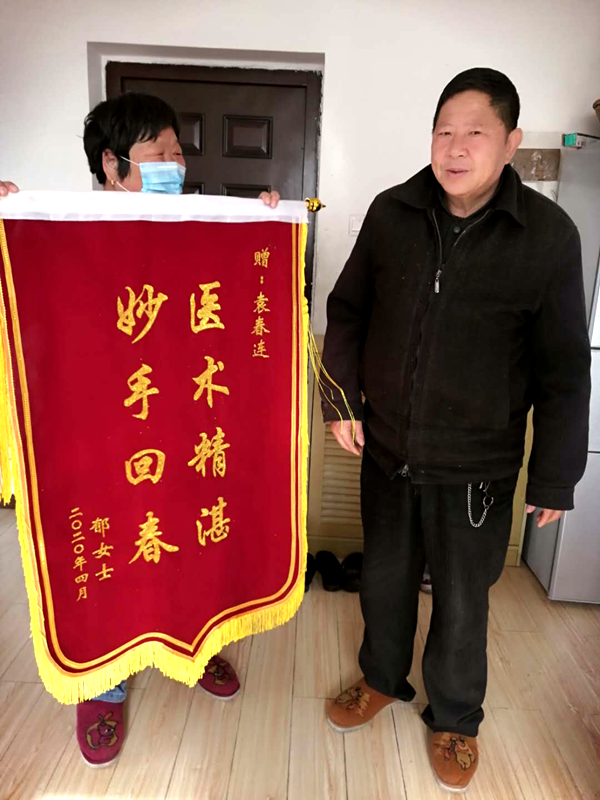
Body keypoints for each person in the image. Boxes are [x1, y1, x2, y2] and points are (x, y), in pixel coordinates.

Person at [321, 68, 590, 793]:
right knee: (384, 580)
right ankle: (381, 678)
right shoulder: (392, 213)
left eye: (475, 131)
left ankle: (456, 717)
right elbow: (347, 311)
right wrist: (340, 402)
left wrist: (556, 475)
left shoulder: (547, 236)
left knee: (465, 601)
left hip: (478, 469)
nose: (456, 146)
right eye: (444, 130)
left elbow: (565, 368)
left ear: (511, 142)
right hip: (387, 450)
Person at [0, 91, 280, 768]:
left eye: (178, 153)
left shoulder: (196, 229)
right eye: (159, 153)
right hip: (99, 441)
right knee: (112, 560)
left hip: (183, 429)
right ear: (112, 162)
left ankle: (196, 648)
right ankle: (104, 682)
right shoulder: (61, 237)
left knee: (192, 542)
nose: (176, 166)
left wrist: (265, 224)